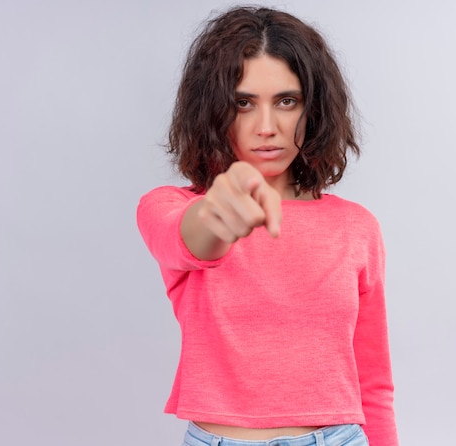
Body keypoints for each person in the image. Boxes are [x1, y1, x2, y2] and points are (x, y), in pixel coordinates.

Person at [137, 6, 399, 446]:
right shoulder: (171, 208)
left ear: (312, 109)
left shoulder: (357, 227)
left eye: (286, 101)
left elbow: (372, 385)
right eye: (243, 102)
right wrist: (219, 211)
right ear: (213, 110)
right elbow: (190, 238)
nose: (265, 128)